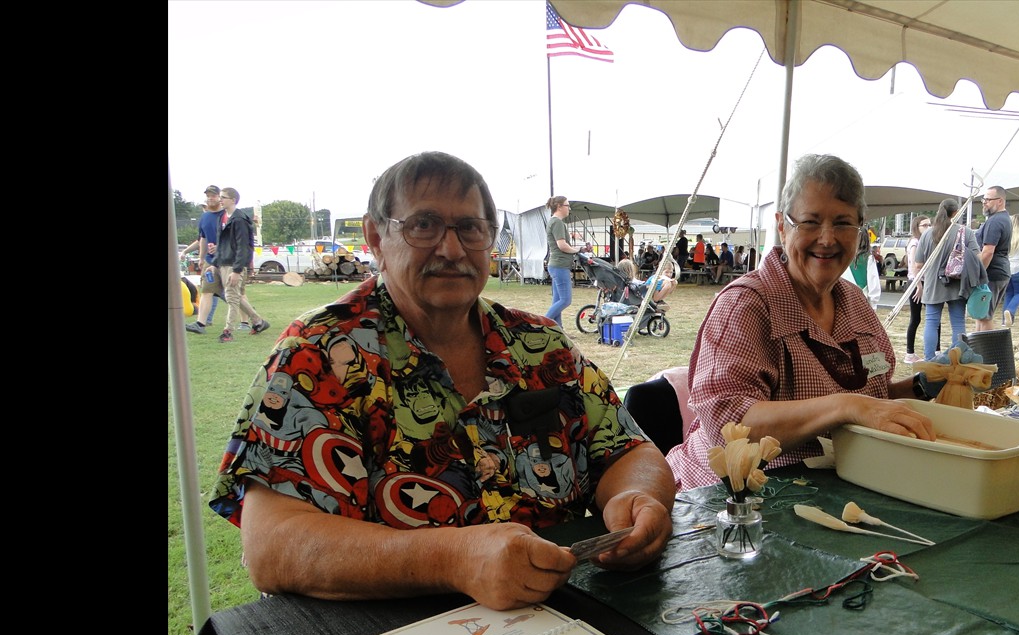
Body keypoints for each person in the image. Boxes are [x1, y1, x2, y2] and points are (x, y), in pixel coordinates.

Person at [207, 151, 675, 610]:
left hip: (565, 629)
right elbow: (273, 545)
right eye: (423, 225)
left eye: (470, 228)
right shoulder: (319, 354)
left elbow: (629, 449)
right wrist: (454, 560)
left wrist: (636, 497)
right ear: (375, 237)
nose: (451, 250)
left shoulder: (540, 344)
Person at [666, 154, 937, 490]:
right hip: (730, 499)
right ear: (782, 225)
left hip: (833, 485)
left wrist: (925, 385)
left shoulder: (854, 303)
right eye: (810, 222)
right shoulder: (746, 305)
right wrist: (845, 406)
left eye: (842, 223)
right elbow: (730, 427)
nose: (827, 238)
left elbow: (873, 399)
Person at [913, 198, 984, 361]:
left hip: (932, 283)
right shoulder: (965, 232)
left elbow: (918, 264)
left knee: (931, 322)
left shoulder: (927, 234)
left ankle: (929, 358)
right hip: (957, 283)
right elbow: (977, 258)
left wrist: (922, 280)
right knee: (958, 322)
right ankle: (957, 359)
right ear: (956, 213)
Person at [217, 187, 269, 343]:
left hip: (234, 264)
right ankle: (258, 321)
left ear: (233, 200)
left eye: (223, 197)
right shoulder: (224, 217)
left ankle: (228, 331)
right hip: (224, 262)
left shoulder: (238, 219)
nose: (221, 200)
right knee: (235, 296)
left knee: (231, 297)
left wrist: (237, 270)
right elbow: (225, 243)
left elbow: (243, 246)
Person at [184, 187, 227, 334]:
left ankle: (252, 319)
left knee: (234, 293)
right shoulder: (205, 217)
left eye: (213, 196)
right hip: (210, 260)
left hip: (227, 259)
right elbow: (202, 238)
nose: (210, 198)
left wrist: (220, 248)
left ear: (220, 197)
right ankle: (200, 324)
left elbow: (234, 238)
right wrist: (202, 258)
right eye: (208, 196)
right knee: (207, 290)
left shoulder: (227, 215)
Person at [973, 186, 1012, 331]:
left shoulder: (995, 221)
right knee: (981, 315)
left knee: (984, 317)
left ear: (1000, 201)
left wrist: (978, 274)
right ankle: (977, 350)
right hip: (998, 272)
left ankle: (986, 353)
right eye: (984, 199)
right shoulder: (1003, 218)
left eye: (988, 199)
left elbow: (988, 252)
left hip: (992, 274)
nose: (984, 202)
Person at [544, 195, 584, 327]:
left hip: (557, 265)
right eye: (567, 205)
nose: (569, 208)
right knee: (565, 300)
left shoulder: (554, 222)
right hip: (559, 266)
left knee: (557, 300)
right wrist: (577, 249)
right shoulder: (557, 223)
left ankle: (558, 330)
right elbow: (562, 245)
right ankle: (541, 324)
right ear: (559, 207)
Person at [902, 214, 930, 362]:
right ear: (917, 227)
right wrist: (918, 285)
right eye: (924, 225)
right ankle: (909, 353)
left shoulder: (924, 241)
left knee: (929, 317)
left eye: (929, 225)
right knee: (915, 318)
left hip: (923, 282)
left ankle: (929, 350)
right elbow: (913, 265)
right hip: (916, 282)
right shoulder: (915, 242)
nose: (928, 228)